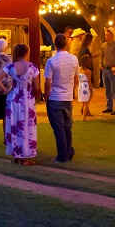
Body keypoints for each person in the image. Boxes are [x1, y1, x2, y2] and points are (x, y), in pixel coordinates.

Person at [0, 43, 41, 165]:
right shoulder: (33, 67)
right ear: (27, 53)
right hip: (27, 98)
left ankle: (16, 155)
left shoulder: (11, 66)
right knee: (27, 126)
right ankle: (25, 156)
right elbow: (37, 87)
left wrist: (6, 90)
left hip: (13, 98)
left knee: (14, 125)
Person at [44, 33, 80, 163]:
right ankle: (68, 151)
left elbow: (48, 82)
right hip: (67, 97)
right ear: (67, 44)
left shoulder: (52, 61)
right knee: (67, 126)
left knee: (58, 128)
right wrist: (72, 90)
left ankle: (62, 155)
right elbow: (76, 78)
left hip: (55, 97)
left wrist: (46, 97)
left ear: (55, 44)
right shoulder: (74, 59)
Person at [100, 27, 115, 115]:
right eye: (106, 35)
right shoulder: (103, 45)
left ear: (113, 36)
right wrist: (100, 64)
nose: (106, 36)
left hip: (112, 69)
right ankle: (109, 107)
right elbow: (102, 56)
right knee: (107, 89)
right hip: (105, 69)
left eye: (108, 35)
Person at [78, 55, 94, 120]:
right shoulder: (88, 71)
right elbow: (89, 81)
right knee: (86, 103)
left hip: (80, 86)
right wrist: (91, 89)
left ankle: (84, 113)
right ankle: (84, 117)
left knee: (83, 101)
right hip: (85, 86)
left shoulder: (79, 69)